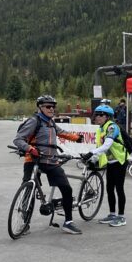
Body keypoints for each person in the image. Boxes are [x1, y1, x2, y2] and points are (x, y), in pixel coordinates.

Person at [13, 94, 85, 235]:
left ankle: (68, 222)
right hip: (33, 160)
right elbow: (18, 140)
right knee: (29, 189)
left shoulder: (51, 122)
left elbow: (61, 132)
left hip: (50, 160)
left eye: (53, 106)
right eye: (48, 106)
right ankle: (24, 223)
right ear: (40, 108)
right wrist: (30, 149)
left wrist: (76, 138)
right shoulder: (34, 121)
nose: (52, 109)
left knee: (66, 189)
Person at [88, 104, 129, 226]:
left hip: (120, 161)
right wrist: (93, 158)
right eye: (96, 115)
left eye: (101, 115)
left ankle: (121, 217)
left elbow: (107, 145)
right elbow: (99, 147)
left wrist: (91, 153)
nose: (98, 117)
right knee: (109, 189)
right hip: (110, 162)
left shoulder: (112, 127)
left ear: (108, 117)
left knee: (119, 188)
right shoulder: (100, 129)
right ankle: (112, 214)